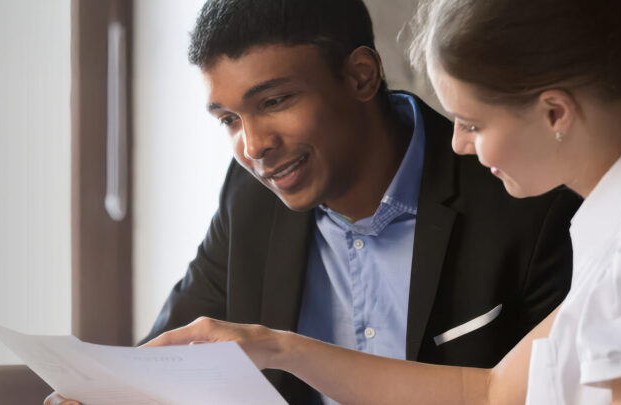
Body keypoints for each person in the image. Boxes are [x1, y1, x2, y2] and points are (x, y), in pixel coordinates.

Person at [141, 0, 621, 403]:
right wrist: (274, 345)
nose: (458, 148)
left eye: (471, 123)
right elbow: (490, 391)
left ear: (554, 111)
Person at [46, 0, 581, 403]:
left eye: (274, 101)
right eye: (230, 120)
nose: (253, 147)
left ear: (360, 76)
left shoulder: (526, 197)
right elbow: (171, 356)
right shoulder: (249, 200)